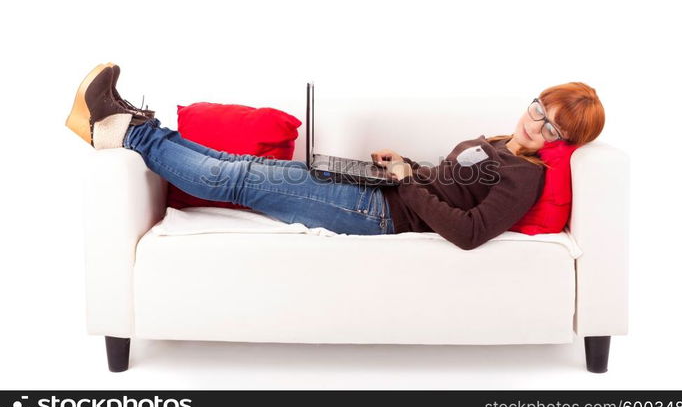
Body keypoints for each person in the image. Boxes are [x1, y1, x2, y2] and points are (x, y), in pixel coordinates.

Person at [65, 63, 605, 250]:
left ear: (561, 139)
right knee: (242, 166)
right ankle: (136, 125)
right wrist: (407, 166)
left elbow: (467, 231)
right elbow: (448, 182)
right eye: (538, 107)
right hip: (379, 189)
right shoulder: (500, 143)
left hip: (379, 215)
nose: (534, 123)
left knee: (239, 178)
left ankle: (125, 130)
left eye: (550, 125)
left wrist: (403, 183)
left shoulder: (523, 177)